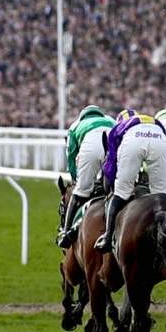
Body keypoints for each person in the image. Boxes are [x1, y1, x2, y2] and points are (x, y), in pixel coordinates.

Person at [94, 107, 166, 252]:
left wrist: (112, 184)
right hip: (158, 138)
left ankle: (107, 237)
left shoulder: (117, 129)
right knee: (161, 194)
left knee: (122, 191)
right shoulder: (155, 122)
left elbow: (111, 163)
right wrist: (162, 182)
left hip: (134, 141)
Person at [55, 100, 114, 246]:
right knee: (119, 191)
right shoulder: (111, 120)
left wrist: (76, 180)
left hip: (91, 148)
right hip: (113, 146)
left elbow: (71, 157)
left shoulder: (75, 125)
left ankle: (66, 232)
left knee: (80, 191)